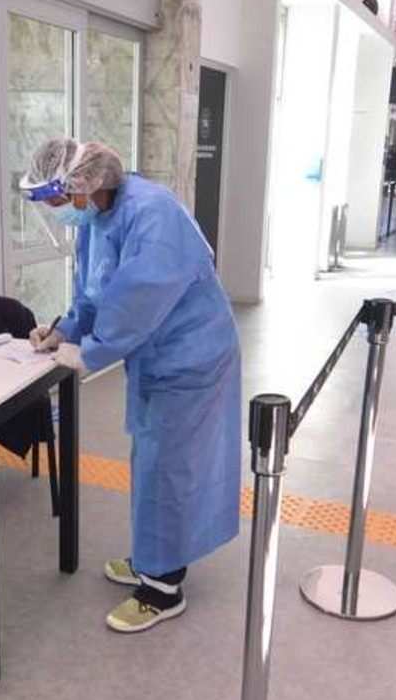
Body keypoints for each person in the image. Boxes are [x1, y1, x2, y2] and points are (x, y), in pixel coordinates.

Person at [21, 139, 242, 633]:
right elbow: (96, 291)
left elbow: (139, 298)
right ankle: (151, 556)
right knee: (152, 460)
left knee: (169, 467)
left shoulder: (152, 214)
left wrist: (92, 351)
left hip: (191, 355)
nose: (57, 213)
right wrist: (65, 330)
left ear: (83, 187)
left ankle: (163, 588)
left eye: (57, 202)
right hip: (158, 354)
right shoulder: (100, 218)